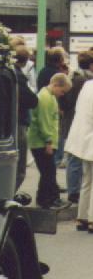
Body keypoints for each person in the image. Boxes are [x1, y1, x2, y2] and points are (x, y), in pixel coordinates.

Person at [28, 73, 72, 210]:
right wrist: (48, 141)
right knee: (49, 172)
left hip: (42, 141)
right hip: (42, 142)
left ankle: (44, 198)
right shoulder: (46, 98)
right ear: (56, 85)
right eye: (62, 91)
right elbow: (44, 122)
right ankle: (50, 200)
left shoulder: (48, 96)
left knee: (47, 172)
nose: (62, 94)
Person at [58, 50, 93, 204]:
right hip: (81, 126)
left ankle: (74, 192)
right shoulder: (85, 81)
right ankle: (74, 191)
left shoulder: (75, 78)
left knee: (75, 160)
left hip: (73, 123)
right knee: (77, 162)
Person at [65, 78, 93, 233]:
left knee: (86, 180)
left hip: (82, 139)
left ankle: (82, 217)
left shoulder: (87, 85)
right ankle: (92, 220)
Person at [13, 51, 39, 190]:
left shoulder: (11, 72)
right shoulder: (18, 76)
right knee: (19, 169)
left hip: (5, 122)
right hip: (18, 121)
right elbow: (32, 100)